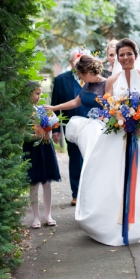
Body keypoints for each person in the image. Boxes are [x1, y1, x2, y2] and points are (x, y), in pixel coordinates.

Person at [51, 41, 140, 246]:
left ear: (136, 55)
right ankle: (116, 220)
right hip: (118, 134)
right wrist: (120, 118)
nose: (125, 58)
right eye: (121, 54)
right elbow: (108, 108)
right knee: (113, 176)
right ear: (117, 58)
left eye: (129, 54)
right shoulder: (111, 81)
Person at [51, 48, 87, 206]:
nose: (79, 64)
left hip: (91, 125)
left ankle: (91, 193)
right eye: (76, 61)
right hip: (71, 127)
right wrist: (56, 129)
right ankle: (76, 194)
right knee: (75, 159)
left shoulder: (93, 79)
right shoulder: (60, 80)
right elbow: (55, 107)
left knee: (92, 159)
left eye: (82, 61)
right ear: (70, 63)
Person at [24, 81, 61, 228]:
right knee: (33, 182)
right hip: (32, 147)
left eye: (40, 93)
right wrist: (35, 135)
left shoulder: (43, 109)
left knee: (47, 182)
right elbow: (21, 133)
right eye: (36, 93)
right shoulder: (23, 112)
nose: (39, 96)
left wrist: (49, 133)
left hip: (45, 147)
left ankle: (48, 215)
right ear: (28, 94)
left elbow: (52, 124)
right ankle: (36, 217)